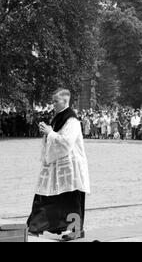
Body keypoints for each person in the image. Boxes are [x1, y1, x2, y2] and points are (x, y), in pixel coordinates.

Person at [27, 89, 90, 241]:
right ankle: (35, 227)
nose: (53, 104)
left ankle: (75, 230)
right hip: (56, 165)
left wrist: (50, 133)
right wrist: (47, 133)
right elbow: (55, 138)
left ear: (65, 101)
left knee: (71, 200)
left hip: (70, 168)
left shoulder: (72, 120)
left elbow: (67, 142)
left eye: (56, 101)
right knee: (46, 196)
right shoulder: (58, 118)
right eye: (53, 101)